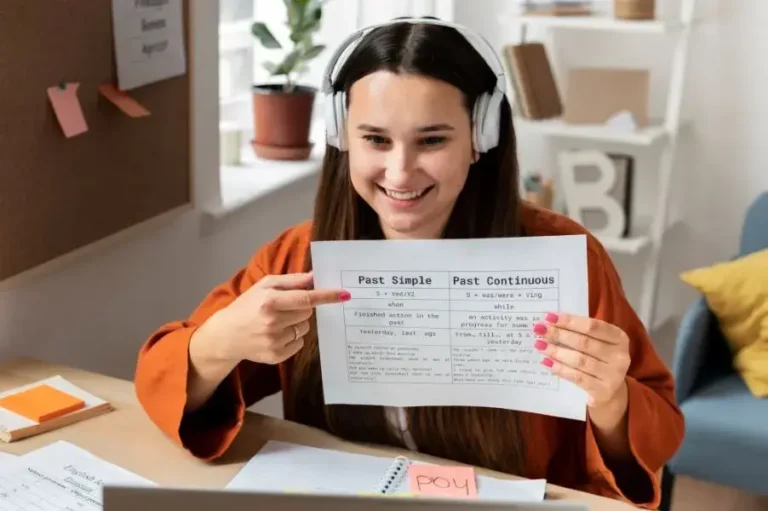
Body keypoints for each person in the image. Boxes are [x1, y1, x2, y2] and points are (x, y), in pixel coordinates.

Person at [134, 16, 683, 509]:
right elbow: (163, 383)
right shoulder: (300, 254)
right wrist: (220, 341)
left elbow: (653, 436)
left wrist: (610, 398)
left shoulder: (567, 258)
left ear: (480, 137)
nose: (400, 172)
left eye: (431, 140)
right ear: (341, 137)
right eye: (374, 139)